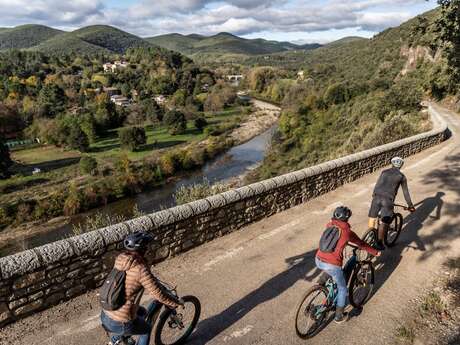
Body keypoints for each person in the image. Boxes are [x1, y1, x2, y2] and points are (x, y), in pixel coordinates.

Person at [101, 231, 182, 345]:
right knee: (146, 330)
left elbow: (133, 278)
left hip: (106, 312)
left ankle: (115, 340)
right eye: (147, 247)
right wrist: (175, 303)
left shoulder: (121, 258)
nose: (148, 249)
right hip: (120, 321)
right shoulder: (140, 269)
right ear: (142, 249)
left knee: (143, 312)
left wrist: (149, 277)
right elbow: (158, 294)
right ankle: (122, 335)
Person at [316, 206, 381, 323]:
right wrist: (375, 252)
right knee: (342, 289)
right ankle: (339, 316)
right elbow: (361, 243)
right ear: (346, 219)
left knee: (331, 267)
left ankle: (323, 279)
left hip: (319, 259)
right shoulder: (347, 232)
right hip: (332, 265)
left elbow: (333, 242)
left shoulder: (329, 225)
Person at [368, 157, 416, 250]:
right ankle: (379, 243)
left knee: (372, 218)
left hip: (376, 197)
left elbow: (377, 184)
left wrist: (374, 195)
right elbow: (406, 193)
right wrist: (410, 206)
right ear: (401, 165)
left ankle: (370, 235)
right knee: (384, 222)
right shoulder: (401, 177)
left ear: (392, 164)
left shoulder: (384, 172)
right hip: (388, 200)